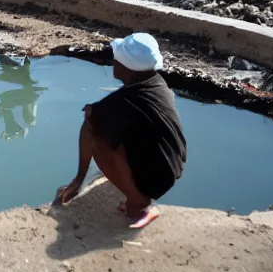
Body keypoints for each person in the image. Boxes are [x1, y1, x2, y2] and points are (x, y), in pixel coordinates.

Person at [54, 32, 187, 229]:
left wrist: (79, 178)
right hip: (173, 165)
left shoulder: (126, 99)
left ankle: (140, 202)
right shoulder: (156, 82)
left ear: (128, 68)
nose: (113, 62)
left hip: (158, 177)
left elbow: (92, 118)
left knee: (94, 132)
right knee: (110, 129)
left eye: (117, 59)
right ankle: (133, 190)